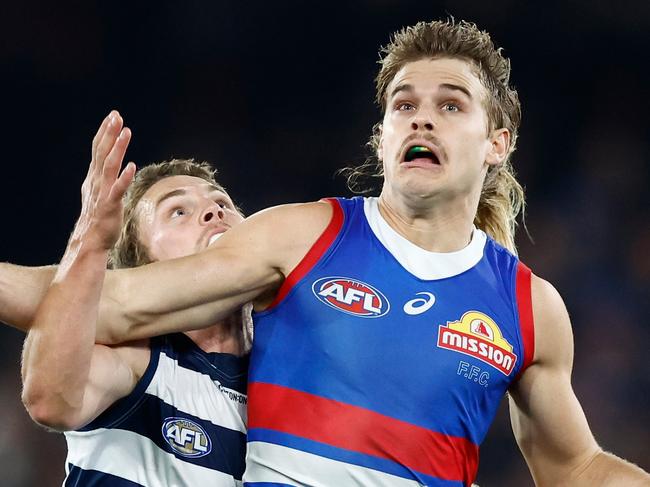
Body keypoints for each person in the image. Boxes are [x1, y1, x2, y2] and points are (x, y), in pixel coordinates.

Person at [3, 20, 648, 486]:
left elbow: (576, 466)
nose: (421, 119)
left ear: (497, 143)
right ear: (382, 135)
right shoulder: (304, 235)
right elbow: (107, 303)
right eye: (404, 105)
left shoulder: (530, 307)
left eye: (450, 105)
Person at [17, 112, 251, 486]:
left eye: (222, 201)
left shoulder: (282, 373)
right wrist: (91, 241)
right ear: (143, 263)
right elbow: (51, 401)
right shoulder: (138, 356)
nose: (214, 211)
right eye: (178, 211)